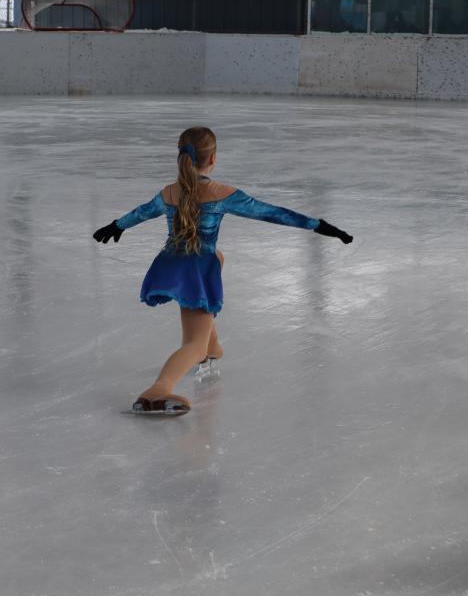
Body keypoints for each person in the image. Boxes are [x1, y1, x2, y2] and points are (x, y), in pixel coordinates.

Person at [92, 127, 353, 414]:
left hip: (172, 265)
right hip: (196, 270)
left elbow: (141, 212)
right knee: (194, 345)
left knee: (217, 260)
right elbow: (272, 212)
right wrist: (318, 225)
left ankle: (213, 350)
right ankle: (159, 389)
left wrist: (116, 225)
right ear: (213, 159)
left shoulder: (169, 192)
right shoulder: (220, 193)